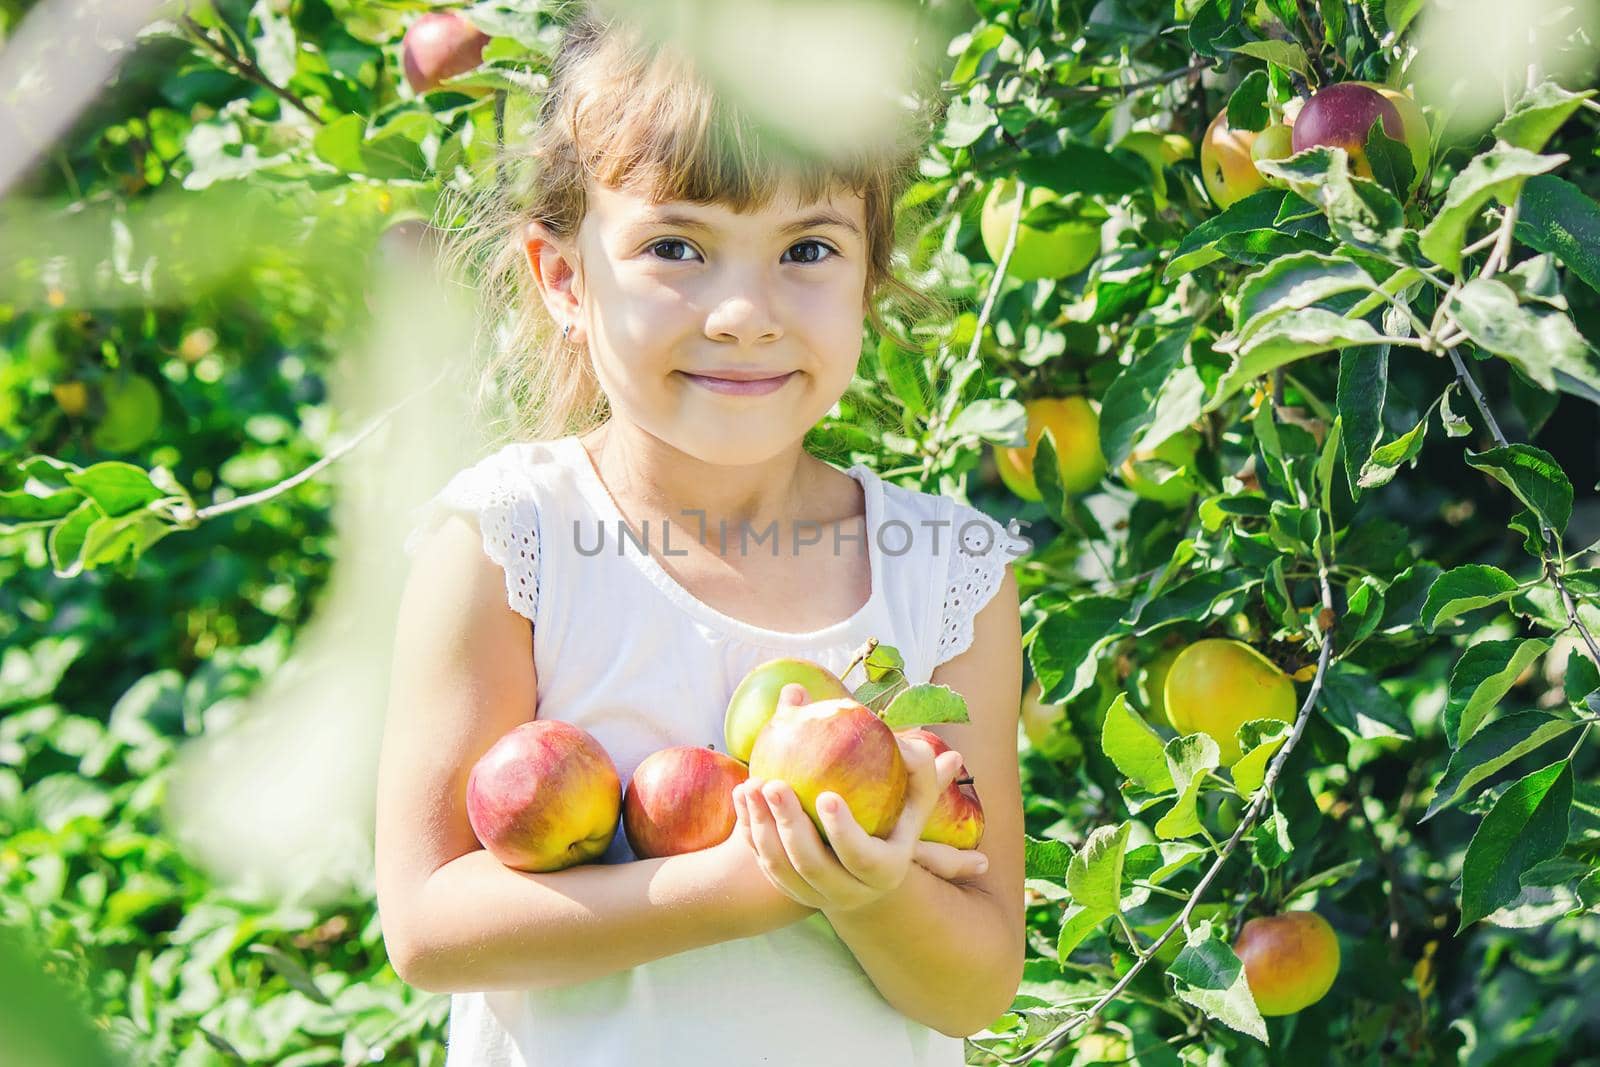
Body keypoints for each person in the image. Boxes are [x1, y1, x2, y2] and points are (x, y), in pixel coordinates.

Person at [374, 7, 1028, 1065]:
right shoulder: (510, 543)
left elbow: (977, 981)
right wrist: (754, 882)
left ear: (868, 275)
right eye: (677, 245)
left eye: (807, 248)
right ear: (564, 279)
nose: (742, 311)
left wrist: (867, 893)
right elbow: (430, 926)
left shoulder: (944, 572)